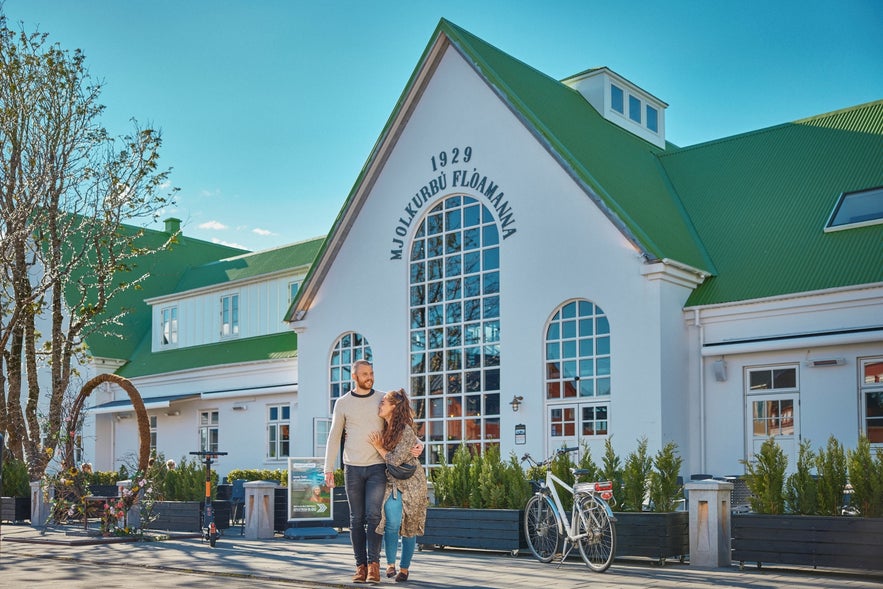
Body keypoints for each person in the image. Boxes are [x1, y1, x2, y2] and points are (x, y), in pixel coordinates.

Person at [323, 360, 423, 584]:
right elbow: (333, 437)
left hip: (378, 467)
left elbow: (401, 422)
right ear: (354, 376)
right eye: (365, 374)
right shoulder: (343, 403)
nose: (370, 377)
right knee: (356, 519)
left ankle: (374, 566)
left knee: (375, 517)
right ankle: (360, 566)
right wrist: (328, 468)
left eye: (371, 373)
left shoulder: (382, 399)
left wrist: (420, 444)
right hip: (352, 468)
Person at [368, 388, 428, 584]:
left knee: (409, 527)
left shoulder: (405, 429)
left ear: (393, 407)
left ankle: (404, 569)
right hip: (393, 483)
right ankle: (390, 564)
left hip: (412, 483)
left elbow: (394, 459)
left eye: (383, 403)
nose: (380, 405)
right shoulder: (384, 426)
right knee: (392, 524)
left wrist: (378, 447)